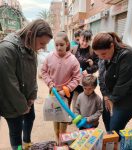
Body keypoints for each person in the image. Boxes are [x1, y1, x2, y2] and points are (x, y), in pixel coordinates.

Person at [0, 19, 53, 150]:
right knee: (15, 130)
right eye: (41, 43)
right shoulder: (7, 49)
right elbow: (9, 85)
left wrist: (32, 96)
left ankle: (27, 143)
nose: (43, 47)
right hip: (12, 102)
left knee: (30, 118)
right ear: (31, 34)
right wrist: (23, 106)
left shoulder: (30, 46)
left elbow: (33, 74)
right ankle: (17, 148)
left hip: (26, 98)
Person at [92, 32, 132, 133]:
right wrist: (105, 95)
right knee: (106, 120)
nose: (101, 58)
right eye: (98, 55)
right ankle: (111, 140)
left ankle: (114, 142)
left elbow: (123, 84)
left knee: (115, 128)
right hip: (111, 93)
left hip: (128, 97)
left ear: (112, 46)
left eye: (103, 54)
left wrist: (112, 99)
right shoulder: (103, 55)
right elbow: (101, 77)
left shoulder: (128, 55)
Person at [41, 31, 81, 143]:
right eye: (56, 45)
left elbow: (77, 78)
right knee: (55, 115)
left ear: (67, 44)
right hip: (53, 92)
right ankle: (56, 138)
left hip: (65, 94)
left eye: (61, 45)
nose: (59, 48)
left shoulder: (73, 60)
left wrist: (67, 89)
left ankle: (62, 140)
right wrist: (49, 83)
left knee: (63, 118)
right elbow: (44, 71)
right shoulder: (49, 57)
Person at [71, 29, 99, 112]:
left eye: (87, 41)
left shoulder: (92, 52)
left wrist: (88, 70)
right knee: (75, 99)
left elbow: (97, 66)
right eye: (83, 40)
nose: (84, 43)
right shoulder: (74, 50)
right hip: (74, 80)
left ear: (90, 41)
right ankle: (75, 115)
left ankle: (84, 115)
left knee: (85, 99)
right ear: (79, 39)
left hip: (86, 82)